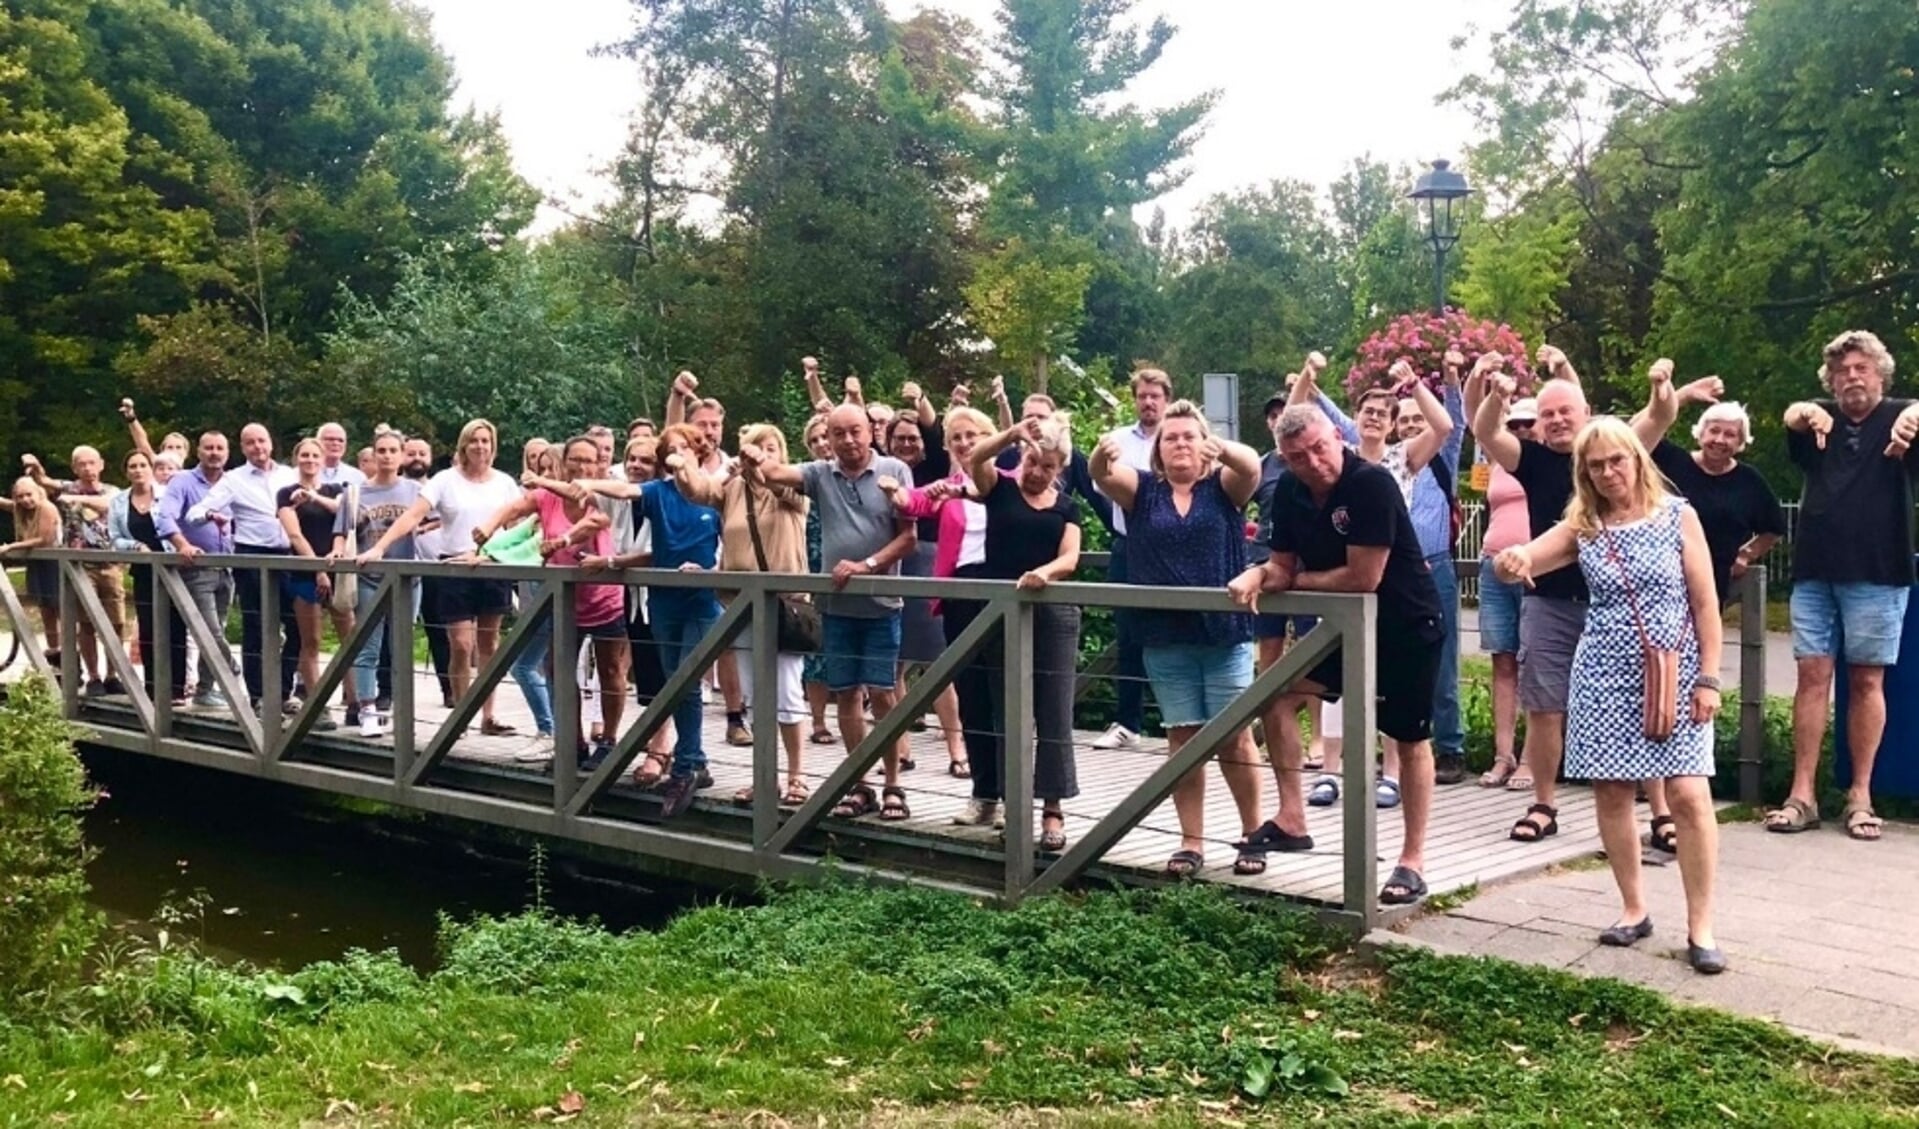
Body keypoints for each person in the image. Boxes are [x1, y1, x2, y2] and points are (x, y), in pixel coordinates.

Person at [1494, 418, 1726, 973]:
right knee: (1613, 791)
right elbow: (1531, 556)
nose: (1607, 472)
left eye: (1615, 460)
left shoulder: (1678, 515)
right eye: (1595, 466)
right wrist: (1513, 560)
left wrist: (1710, 679)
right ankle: (1633, 907)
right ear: (1584, 473)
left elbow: (1707, 604)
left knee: (1691, 796)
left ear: (1636, 459)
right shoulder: (1585, 524)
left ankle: (1701, 925)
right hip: (1602, 672)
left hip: (1676, 669)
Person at [1230, 403, 1447, 904]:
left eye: (1319, 448)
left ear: (1337, 436)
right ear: (1284, 458)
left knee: (1409, 738)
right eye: (1298, 457)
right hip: (1346, 628)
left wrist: (1289, 580)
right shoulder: (1286, 488)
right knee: (1277, 695)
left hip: (1407, 626)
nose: (1314, 462)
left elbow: (1362, 577)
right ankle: (1291, 818)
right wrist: (1260, 574)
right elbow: (1281, 566)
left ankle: (1412, 860)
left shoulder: (1370, 483)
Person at [1472, 359, 1678, 843]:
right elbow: (1484, 431)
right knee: (1544, 705)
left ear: (1585, 411)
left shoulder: (1612, 450)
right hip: (1551, 601)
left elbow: (1661, 416)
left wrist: (1661, 385)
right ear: (1540, 423)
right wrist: (1497, 399)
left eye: (1567, 411)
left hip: (1619, 604)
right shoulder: (1532, 459)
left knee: (1639, 702)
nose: (1559, 420)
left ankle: (1662, 812)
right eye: (1549, 414)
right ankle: (1543, 804)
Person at [1092, 399, 1271, 878]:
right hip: (1165, 637)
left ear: (1204, 443)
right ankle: (1191, 841)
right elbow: (1103, 477)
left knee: (1235, 738)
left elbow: (1251, 466)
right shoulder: (1144, 491)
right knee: (1183, 737)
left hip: (1224, 633)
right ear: (1157, 447)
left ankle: (1253, 834)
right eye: (1171, 437)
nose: (1180, 443)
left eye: (1189, 435)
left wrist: (1224, 448)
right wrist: (1100, 454)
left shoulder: (1222, 489)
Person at [1288, 355, 1458, 805]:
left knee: (1393, 694)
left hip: (1394, 582)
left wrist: (1413, 384)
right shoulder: (1332, 459)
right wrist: (1309, 379)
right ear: (1350, 421)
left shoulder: (1401, 460)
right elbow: (1294, 423)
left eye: (1385, 413)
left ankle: (1391, 773)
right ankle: (1329, 771)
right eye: (1368, 411)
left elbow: (1443, 427)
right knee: (1332, 684)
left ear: (1394, 423)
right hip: (1342, 584)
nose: (1375, 418)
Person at [1771, 330, 1919, 841]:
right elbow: (1792, 416)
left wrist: (1915, 414)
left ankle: (1860, 796)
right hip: (1815, 572)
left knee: (1867, 682)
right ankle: (1802, 795)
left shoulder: (1903, 419)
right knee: (1811, 677)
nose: (1851, 377)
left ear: (1881, 374)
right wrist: (1800, 412)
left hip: (1880, 573)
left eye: (1861, 368)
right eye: (1841, 371)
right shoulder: (1819, 419)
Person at [743, 403, 917, 821]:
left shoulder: (894, 469)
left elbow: (909, 536)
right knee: (846, 695)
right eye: (838, 433)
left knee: (883, 694)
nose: (848, 440)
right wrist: (753, 456)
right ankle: (860, 785)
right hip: (836, 606)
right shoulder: (822, 473)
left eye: (855, 431)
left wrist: (867, 566)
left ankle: (894, 784)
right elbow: (773, 474)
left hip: (881, 602)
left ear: (869, 432)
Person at [562, 424, 723, 816]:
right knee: (674, 685)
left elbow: (732, 543)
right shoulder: (658, 492)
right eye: (671, 449)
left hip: (703, 600)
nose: (678, 455)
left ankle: (686, 765)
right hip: (663, 601)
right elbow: (623, 489)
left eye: (685, 449)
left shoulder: (716, 493)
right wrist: (588, 480)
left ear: (698, 453)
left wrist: (715, 569)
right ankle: (693, 761)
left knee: (686, 679)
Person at [960, 415, 1084, 850]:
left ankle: (1053, 810)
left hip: (1052, 613)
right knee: (1008, 711)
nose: (1037, 472)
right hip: (1005, 613)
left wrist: (1043, 573)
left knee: (1054, 714)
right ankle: (1015, 808)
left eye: (1047, 467)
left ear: (1059, 469)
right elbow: (975, 457)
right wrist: (1012, 434)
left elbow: (1070, 558)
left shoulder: (1067, 505)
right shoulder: (1000, 490)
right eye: (1033, 461)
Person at [357, 418, 523, 736]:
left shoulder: (504, 482)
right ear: (464, 445)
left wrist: (513, 556)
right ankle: (461, 714)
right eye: (474, 440)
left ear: (493, 445)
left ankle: (488, 716)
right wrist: (379, 546)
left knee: (489, 643)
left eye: (486, 440)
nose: (480, 446)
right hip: (454, 565)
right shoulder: (445, 480)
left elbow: (516, 526)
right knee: (460, 645)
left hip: (493, 565)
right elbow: (413, 515)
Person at [483, 437, 625, 766]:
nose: (582, 466)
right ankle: (571, 742)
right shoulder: (547, 498)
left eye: (589, 460)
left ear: (601, 463)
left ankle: (609, 741)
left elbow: (594, 522)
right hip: (565, 601)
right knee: (558, 670)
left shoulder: (604, 493)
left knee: (610, 669)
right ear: (566, 461)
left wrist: (561, 539)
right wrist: (485, 532)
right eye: (575, 459)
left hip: (603, 599)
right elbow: (514, 509)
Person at [694, 422, 812, 807]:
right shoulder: (732, 489)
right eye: (754, 448)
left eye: (771, 447)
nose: (762, 453)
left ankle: (797, 776)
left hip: (785, 603)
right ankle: (764, 776)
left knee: (787, 694)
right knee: (755, 695)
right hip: (741, 603)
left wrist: (764, 467)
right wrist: (684, 461)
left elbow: (785, 490)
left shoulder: (795, 488)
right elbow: (698, 490)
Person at [185, 423, 300, 710]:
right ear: (243, 447)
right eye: (250, 443)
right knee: (257, 628)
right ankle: (259, 696)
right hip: (253, 558)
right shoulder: (233, 480)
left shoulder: (290, 475)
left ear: (271, 443)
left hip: (291, 554)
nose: (257, 447)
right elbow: (194, 513)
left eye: (262, 441)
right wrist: (213, 514)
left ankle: (284, 691)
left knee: (299, 626)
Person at [1090, 367, 1173, 752]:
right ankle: (1128, 722)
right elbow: (1100, 483)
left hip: (1173, 549)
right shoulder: (1118, 440)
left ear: (1167, 399)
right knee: (1128, 637)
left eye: (1155, 396)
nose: (1148, 402)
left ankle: (1180, 722)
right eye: (1142, 396)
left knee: (1177, 632)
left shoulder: (1180, 438)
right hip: (1129, 545)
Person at [884, 399, 966, 771]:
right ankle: (900, 747)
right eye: (899, 438)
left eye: (912, 438)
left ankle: (955, 746)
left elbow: (935, 433)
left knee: (938, 660)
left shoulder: (934, 468)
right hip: (893, 563)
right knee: (893, 663)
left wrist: (920, 404)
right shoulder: (883, 471)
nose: (906, 444)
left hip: (929, 561)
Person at [327, 430, 421, 739]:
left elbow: (435, 520)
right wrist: (338, 549)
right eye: (381, 450)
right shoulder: (356, 492)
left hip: (408, 577)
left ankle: (401, 711)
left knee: (401, 648)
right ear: (373, 453)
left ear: (402, 454)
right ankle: (367, 710)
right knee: (369, 647)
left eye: (393, 450)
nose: (387, 456)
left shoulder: (416, 490)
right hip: (368, 576)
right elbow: (342, 531)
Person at [22, 447, 124, 695]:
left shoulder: (113, 491)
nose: (88, 468)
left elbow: (107, 505)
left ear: (101, 465)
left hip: (110, 564)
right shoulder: (66, 488)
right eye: (82, 464)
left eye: (92, 463)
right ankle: (94, 677)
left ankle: (114, 675)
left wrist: (78, 500)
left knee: (117, 622)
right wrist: (34, 466)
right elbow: (43, 482)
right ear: (74, 467)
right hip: (80, 567)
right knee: (86, 622)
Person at [1472, 396, 1536, 789]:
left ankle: (1532, 758)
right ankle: (1503, 755)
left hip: (1534, 566)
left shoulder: (1548, 462)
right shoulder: (1497, 461)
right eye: (1515, 424)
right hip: (1493, 564)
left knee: (1535, 663)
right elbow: (1476, 420)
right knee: (1503, 660)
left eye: (1529, 423)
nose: (1522, 430)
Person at [156, 431, 236, 708]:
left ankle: (205, 690)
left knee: (219, 628)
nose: (214, 453)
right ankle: (231, 665)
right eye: (209, 448)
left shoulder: (232, 482)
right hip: (196, 567)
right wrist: (183, 545)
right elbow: (164, 516)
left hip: (228, 566)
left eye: (220, 448)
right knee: (209, 630)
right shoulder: (183, 481)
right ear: (198, 452)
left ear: (227, 452)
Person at [276, 438, 350, 726]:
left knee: (350, 637)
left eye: (314, 455)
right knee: (312, 640)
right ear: (297, 459)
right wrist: (317, 568)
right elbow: (294, 535)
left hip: (338, 570)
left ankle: (357, 703)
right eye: (304, 455)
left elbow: (343, 519)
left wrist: (313, 497)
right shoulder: (285, 494)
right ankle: (318, 704)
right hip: (306, 572)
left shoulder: (335, 490)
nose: (309, 460)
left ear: (322, 459)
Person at [109, 451, 186, 705]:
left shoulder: (167, 495)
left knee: (176, 626)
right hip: (143, 570)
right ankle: (153, 687)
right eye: (132, 466)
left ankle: (176, 689)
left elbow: (180, 525)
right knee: (149, 628)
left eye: (143, 465)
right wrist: (134, 546)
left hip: (172, 567)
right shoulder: (119, 501)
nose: (138, 470)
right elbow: (114, 539)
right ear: (126, 471)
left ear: (151, 468)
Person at [1, 477, 64, 664]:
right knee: (46, 611)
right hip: (37, 564)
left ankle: (71, 659)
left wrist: (11, 547)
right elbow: (6, 504)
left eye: (29, 494)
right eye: (20, 496)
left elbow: (44, 539)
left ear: (38, 492)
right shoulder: (21, 510)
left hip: (55, 562)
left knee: (61, 610)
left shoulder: (46, 508)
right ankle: (55, 656)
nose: (25, 499)